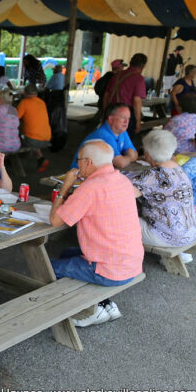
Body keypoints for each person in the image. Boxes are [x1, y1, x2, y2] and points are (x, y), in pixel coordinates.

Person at [49, 140, 143, 327]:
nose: (77, 164)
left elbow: (55, 221)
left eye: (79, 160)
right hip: (131, 263)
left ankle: (91, 311)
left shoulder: (89, 189)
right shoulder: (123, 180)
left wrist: (65, 187)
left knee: (47, 268)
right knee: (68, 253)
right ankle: (105, 302)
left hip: (108, 270)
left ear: (88, 163)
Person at [131, 130, 196, 262]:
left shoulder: (152, 175)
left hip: (169, 236)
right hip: (191, 231)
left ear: (148, 154)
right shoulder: (180, 169)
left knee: (122, 222)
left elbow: (123, 195)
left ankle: (122, 261)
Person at [71, 103, 137, 169]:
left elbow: (135, 154)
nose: (126, 122)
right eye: (123, 118)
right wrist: (129, 156)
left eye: (128, 118)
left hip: (95, 173)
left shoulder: (122, 131)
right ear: (111, 119)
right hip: (79, 176)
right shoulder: (103, 135)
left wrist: (127, 157)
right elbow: (120, 163)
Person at [103, 53, 147, 136]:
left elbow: (106, 94)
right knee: (124, 141)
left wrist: (105, 112)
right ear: (143, 66)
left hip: (111, 110)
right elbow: (136, 101)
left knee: (110, 137)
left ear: (130, 62)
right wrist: (138, 121)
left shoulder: (117, 75)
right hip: (126, 113)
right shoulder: (139, 78)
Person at [16, 84, 52, 172]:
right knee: (32, 133)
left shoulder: (24, 102)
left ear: (25, 93)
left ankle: (9, 159)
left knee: (18, 135)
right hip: (47, 138)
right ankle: (41, 158)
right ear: (36, 94)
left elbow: (14, 118)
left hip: (32, 140)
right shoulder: (42, 102)